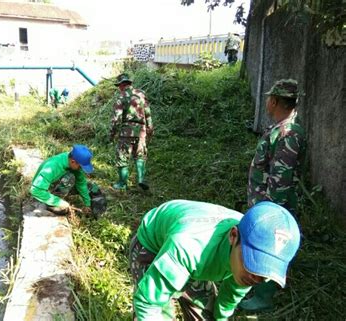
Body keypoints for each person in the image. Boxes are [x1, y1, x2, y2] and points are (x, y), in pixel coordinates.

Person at [129, 200, 301, 321]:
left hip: (198, 257)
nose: (257, 278)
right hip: (152, 246)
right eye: (253, 263)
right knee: (161, 313)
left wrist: (222, 317)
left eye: (265, 271)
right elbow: (148, 302)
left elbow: (231, 294)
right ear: (233, 236)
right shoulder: (189, 246)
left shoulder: (250, 251)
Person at [240, 79, 306, 312]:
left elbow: (281, 176)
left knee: (268, 241)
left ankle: (265, 295)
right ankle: (260, 281)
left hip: (272, 204)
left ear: (275, 101)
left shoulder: (288, 133)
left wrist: (269, 212)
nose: (267, 102)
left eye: (269, 98)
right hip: (264, 199)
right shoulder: (280, 128)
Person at [110, 73, 154, 191]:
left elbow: (116, 119)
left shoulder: (121, 98)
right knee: (140, 155)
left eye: (119, 85)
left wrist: (112, 134)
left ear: (122, 85)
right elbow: (148, 113)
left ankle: (122, 183)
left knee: (122, 156)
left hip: (126, 132)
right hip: (141, 131)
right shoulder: (141, 95)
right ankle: (140, 180)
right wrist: (150, 128)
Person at [29, 144, 94, 215]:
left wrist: (87, 204)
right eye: (80, 166)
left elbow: (81, 184)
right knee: (70, 178)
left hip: (55, 183)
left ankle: (55, 199)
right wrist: (58, 202)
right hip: (44, 190)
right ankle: (47, 203)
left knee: (89, 186)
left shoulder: (73, 162)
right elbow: (35, 190)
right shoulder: (53, 167)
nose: (81, 169)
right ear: (73, 161)